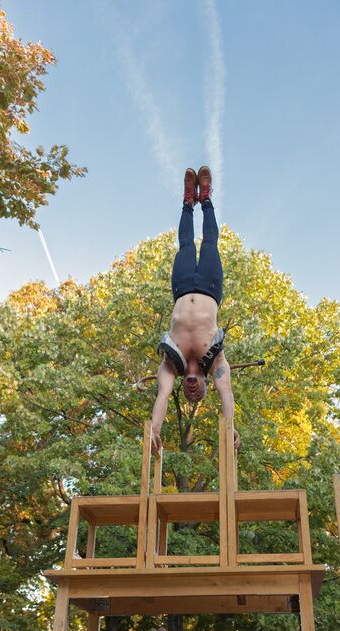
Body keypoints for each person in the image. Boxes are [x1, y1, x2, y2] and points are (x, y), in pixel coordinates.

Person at [151, 166, 240, 454]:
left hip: (182, 287)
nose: (192, 392)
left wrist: (154, 429)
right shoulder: (215, 363)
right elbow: (226, 393)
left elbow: (162, 395)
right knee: (211, 243)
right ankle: (207, 200)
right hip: (210, 288)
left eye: (188, 394)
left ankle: (188, 201)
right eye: (197, 393)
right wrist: (230, 427)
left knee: (186, 244)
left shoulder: (170, 365)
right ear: (204, 384)